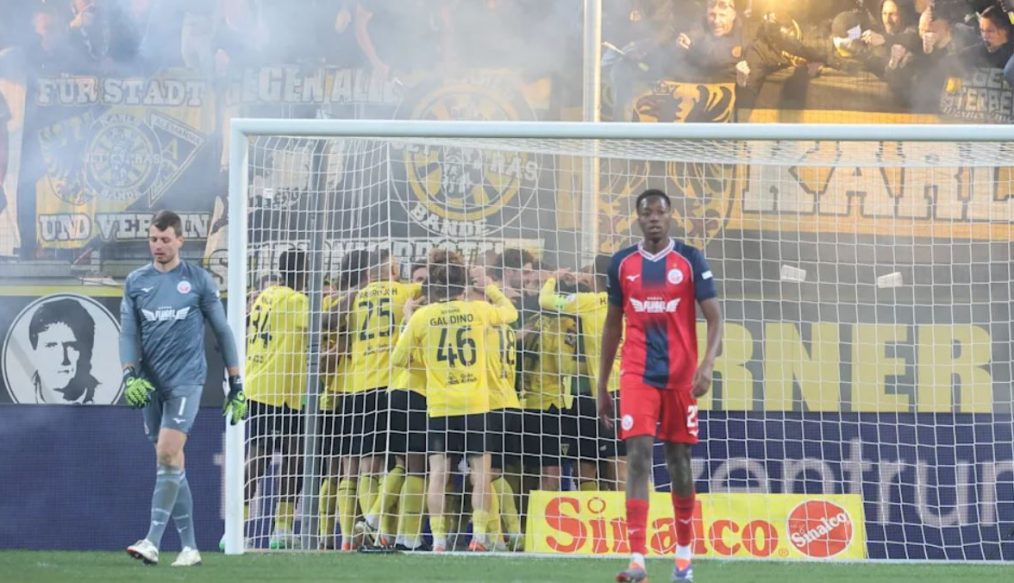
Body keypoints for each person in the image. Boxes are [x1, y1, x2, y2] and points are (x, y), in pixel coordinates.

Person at [598, 190, 722, 583]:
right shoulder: (622, 264)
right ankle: (637, 559)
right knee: (637, 455)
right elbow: (612, 325)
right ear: (636, 219)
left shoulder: (689, 259)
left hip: (681, 377)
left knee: (679, 464)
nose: (653, 218)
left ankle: (684, 557)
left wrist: (707, 366)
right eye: (646, 213)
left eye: (660, 212)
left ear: (671, 217)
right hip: (636, 373)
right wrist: (601, 384)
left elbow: (716, 318)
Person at [120, 210, 246, 567]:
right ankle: (190, 548)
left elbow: (223, 332)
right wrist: (129, 375)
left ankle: (152, 540)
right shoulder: (136, 282)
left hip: (187, 380)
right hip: (150, 383)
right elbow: (128, 334)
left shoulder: (199, 280)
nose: (157, 246)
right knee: (171, 461)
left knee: (166, 451)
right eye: (153, 239)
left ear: (180, 241)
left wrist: (236, 382)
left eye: (164, 239)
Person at [390, 249, 518, 553]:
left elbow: (397, 359)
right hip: (476, 404)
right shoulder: (478, 310)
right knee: (481, 474)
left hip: (440, 406)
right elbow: (511, 313)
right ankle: (479, 537)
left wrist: (410, 326)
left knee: (438, 473)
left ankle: (438, 539)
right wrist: (489, 286)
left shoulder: (423, 316)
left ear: (433, 289)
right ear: (463, 287)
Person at [345, 249, 421, 548]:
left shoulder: (355, 298)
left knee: (368, 465)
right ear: (391, 269)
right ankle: (386, 529)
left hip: (358, 385)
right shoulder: (404, 290)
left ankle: (373, 531)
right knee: (405, 462)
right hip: (393, 383)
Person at [541, 256, 627, 491]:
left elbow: (545, 300)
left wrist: (552, 278)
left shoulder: (591, 301)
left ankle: (627, 523)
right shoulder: (634, 298)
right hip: (632, 388)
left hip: (609, 391)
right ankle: (634, 521)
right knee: (614, 461)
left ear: (596, 277)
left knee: (612, 462)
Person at [243, 249, 310, 549]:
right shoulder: (297, 301)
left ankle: (242, 526)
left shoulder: (266, 295)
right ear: (305, 272)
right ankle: (279, 528)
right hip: (278, 388)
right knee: (281, 456)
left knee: (264, 453)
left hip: (262, 384)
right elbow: (324, 323)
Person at [29, 298, 99, 404]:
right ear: (34, 352)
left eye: (71, 346)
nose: (63, 359)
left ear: (87, 352)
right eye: (50, 346)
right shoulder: (22, 399)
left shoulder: (104, 400)